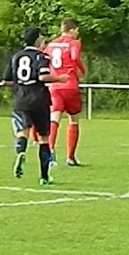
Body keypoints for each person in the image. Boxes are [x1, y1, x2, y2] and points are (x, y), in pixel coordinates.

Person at [2, 27, 68, 185]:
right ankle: (44, 177)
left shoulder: (16, 56)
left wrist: (20, 84)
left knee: (22, 132)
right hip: (39, 100)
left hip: (21, 100)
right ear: (37, 39)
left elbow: (6, 81)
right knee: (44, 138)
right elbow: (43, 76)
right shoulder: (41, 56)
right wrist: (60, 79)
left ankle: (21, 152)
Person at [46, 19, 87, 166]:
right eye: (76, 30)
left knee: (54, 118)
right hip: (70, 85)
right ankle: (70, 157)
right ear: (71, 30)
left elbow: (45, 60)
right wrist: (82, 70)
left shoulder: (51, 44)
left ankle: (50, 151)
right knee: (74, 120)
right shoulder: (74, 43)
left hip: (54, 86)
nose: (77, 33)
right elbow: (75, 57)